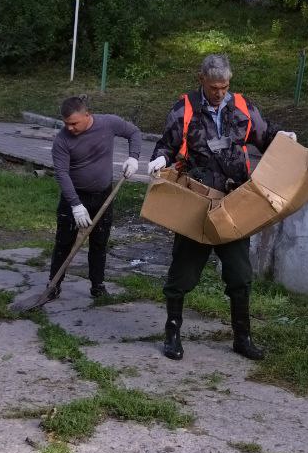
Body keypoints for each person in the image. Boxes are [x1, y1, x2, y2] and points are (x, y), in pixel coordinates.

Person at [147, 53, 295, 362]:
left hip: (235, 202)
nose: (219, 93)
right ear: (201, 79)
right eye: (214, 87)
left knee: (240, 274)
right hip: (196, 202)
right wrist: (159, 159)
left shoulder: (241, 106)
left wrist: (283, 138)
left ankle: (243, 338)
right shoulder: (184, 108)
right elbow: (167, 144)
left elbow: (265, 135)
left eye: (224, 86)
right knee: (182, 273)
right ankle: (172, 332)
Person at [46, 96, 142, 300]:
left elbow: (133, 132)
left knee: (99, 243)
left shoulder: (108, 123)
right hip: (75, 197)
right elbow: (61, 173)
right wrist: (75, 205)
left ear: (87, 115)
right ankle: (54, 285)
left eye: (74, 123)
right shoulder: (62, 140)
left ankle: (97, 285)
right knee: (64, 242)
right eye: (66, 123)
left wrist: (134, 157)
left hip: (103, 196)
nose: (70, 128)